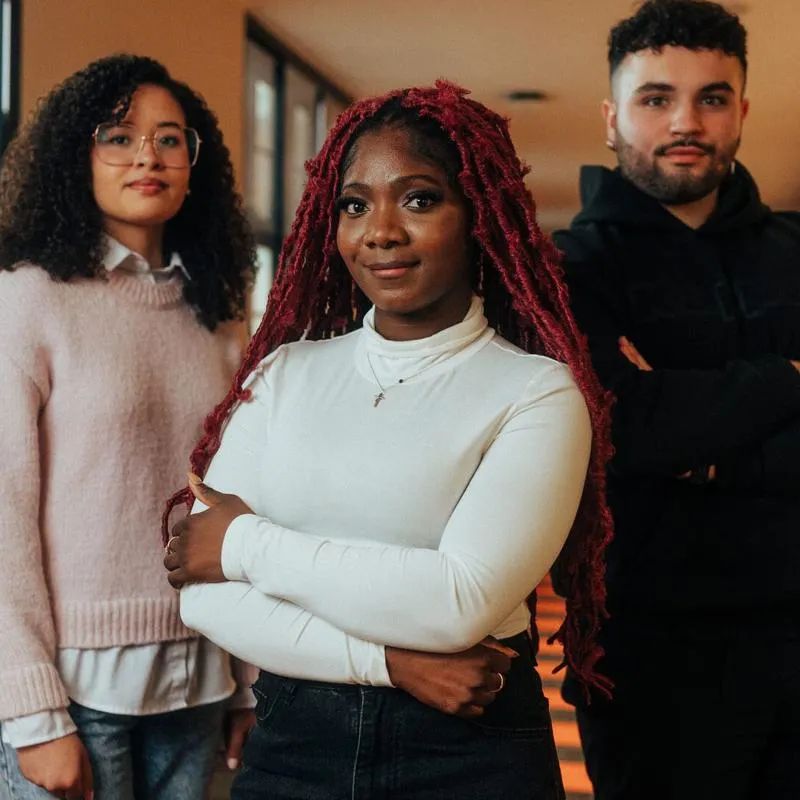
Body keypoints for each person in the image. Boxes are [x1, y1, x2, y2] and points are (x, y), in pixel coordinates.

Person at [162, 81, 615, 799]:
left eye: (418, 199)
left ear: (479, 218)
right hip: (292, 748)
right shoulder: (285, 373)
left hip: (465, 750)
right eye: (354, 204)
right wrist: (393, 662)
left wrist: (245, 544)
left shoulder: (538, 392)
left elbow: (457, 600)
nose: (380, 231)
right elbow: (203, 597)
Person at [553, 2, 800, 797]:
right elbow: (622, 425)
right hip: (645, 650)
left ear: (742, 112)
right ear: (612, 117)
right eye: (656, 98)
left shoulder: (794, 251)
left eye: (712, 98)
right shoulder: (568, 269)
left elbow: (663, 425)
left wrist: (704, 449)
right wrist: (788, 381)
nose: (686, 121)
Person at [0, 54, 257, 800]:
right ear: (75, 156)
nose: (148, 155)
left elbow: (235, 500)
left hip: (202, 684)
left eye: (171, 139)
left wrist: (244, 682)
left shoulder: (216, 312)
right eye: (119, 135)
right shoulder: (28, 301)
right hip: (76, 696)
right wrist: (33, 712)